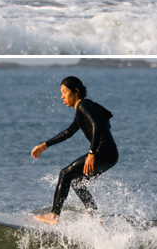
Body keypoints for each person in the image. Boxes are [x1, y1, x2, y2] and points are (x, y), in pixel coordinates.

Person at [31, 76, 118, 224]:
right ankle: (97, 220)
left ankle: (53, 216)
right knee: (77, 183)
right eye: (61, 93)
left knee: (65, 174)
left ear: (76, 92)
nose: (62, 96)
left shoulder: (84, 105)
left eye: (65, 92)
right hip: (111, 155)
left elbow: (97, 126)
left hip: (102, 152)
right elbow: (68, 132)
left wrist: (92, 153)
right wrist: (44, 145)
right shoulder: (83, 110)